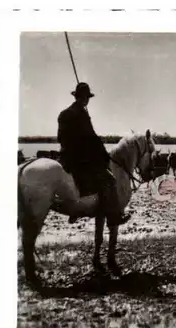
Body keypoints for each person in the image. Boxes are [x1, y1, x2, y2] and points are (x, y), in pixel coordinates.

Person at [57, 82, 131, 227]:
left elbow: (60, 138)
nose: (87, 100)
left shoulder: (64, 113)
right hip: (81, 160)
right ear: (83, 98)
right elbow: (92, 138)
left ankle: (76, 211)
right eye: (86, 97)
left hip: (65, 158)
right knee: (109, 180)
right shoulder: (82, 114)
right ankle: (113, 216)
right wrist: (104, 154)